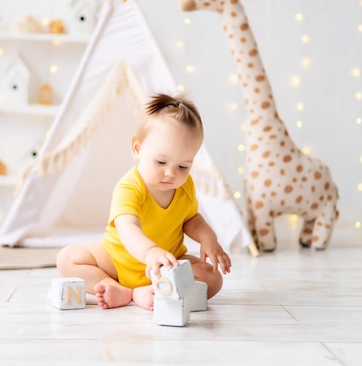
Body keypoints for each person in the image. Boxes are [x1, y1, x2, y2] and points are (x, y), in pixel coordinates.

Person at [56, 93, 232, 310]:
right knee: (68, 259)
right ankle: (114, 287)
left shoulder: (185, 187)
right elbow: (127, 226)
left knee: (213, 278)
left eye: (183, 166)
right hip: (118, 260)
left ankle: (154, 289)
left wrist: (208, 238)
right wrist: (150, 252)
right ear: (137, 149)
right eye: (161, 161)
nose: (171, 173)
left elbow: (191, 220)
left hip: (165, 264)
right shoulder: (129, 187)